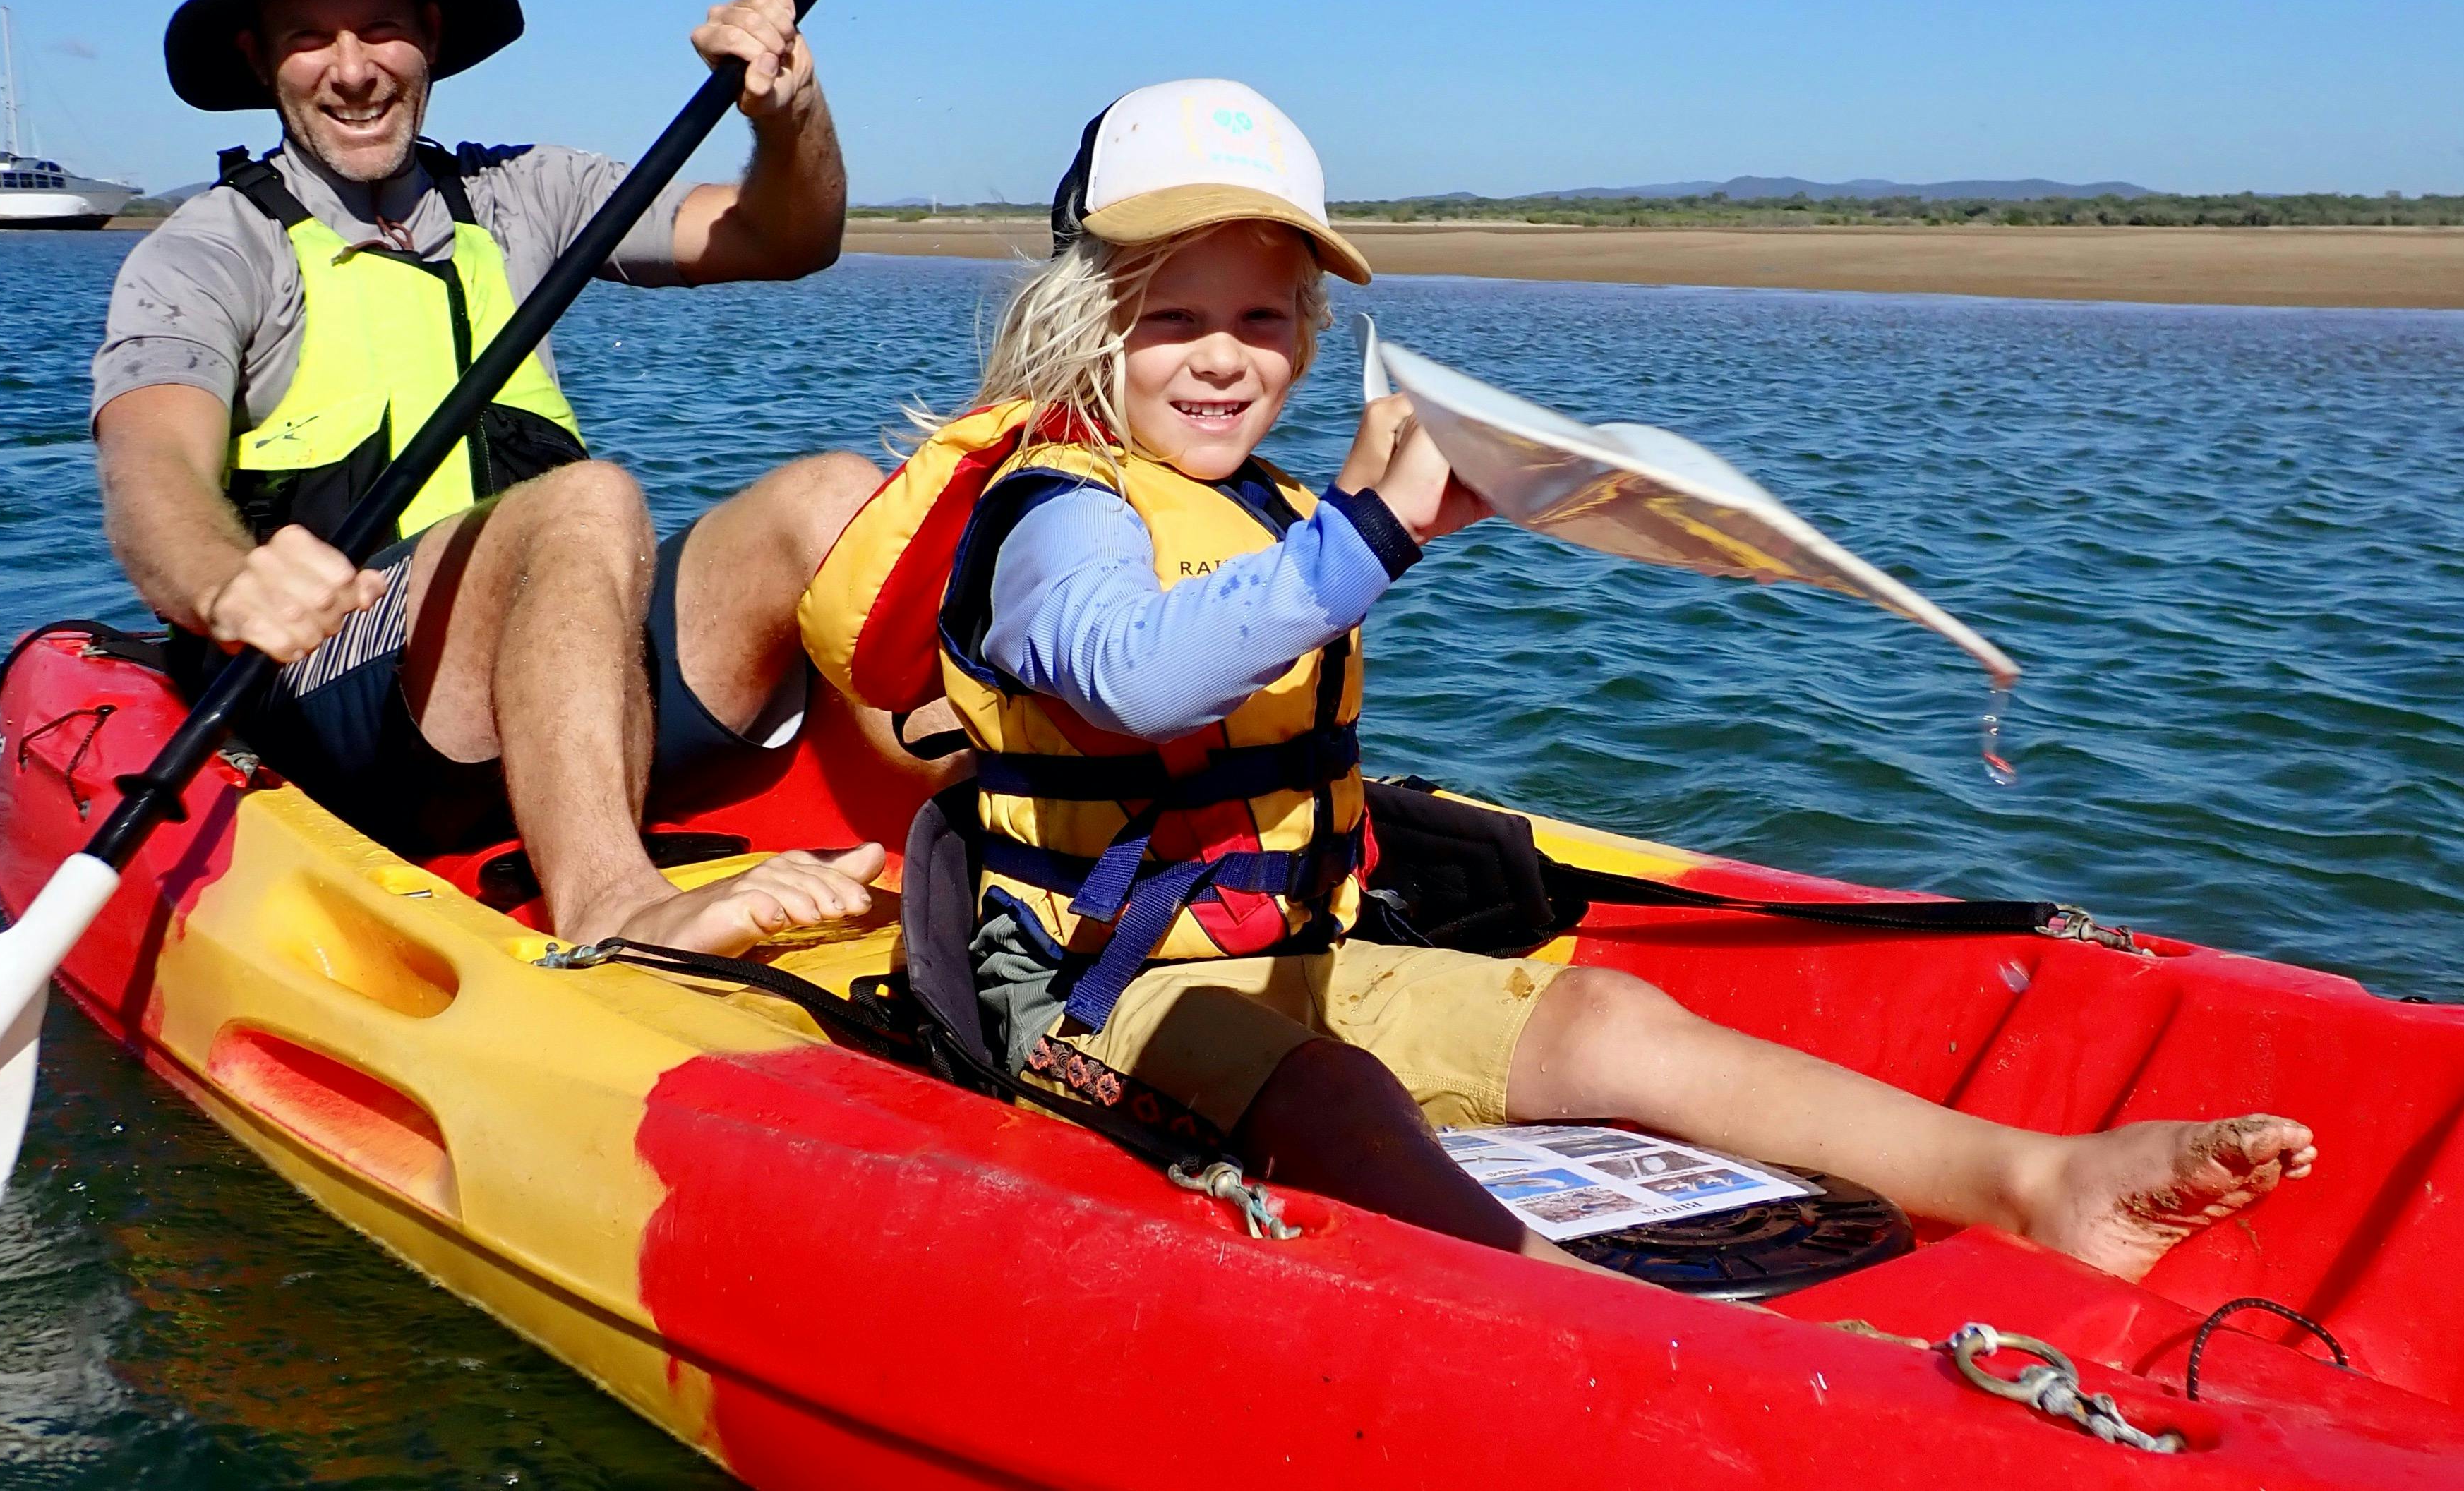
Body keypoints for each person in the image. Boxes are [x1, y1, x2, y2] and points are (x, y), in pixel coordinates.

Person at [799, 77, 2318, 1281]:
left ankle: (2039, 1180)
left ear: (1310, 335)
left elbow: (1268, 628)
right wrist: (1374, 527)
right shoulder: (1057, 508)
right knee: (1334, 1101)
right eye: (1171, 317)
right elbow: (1130, 679)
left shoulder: (1266, 505)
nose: (1222, 357)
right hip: (1096, 997)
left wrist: (1392, 513)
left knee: (1607, 1017)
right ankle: (1537, 1301)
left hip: (1304, 958)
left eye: (1262, 319)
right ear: (1088, 324)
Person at [95, 0, 928, 955]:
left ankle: (996, 826)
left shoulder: (523, 193)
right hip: (343, 698)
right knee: (586, 500)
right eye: (309, 39)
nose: (352, 71)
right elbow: (149, 464)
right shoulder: (209, 249)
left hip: (555, 684)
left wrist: (790, 117)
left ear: (430, 38)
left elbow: (785, 239)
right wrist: (220, 579)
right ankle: (610, 904)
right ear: (259, 62)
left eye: (381, 30)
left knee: (835, 495)